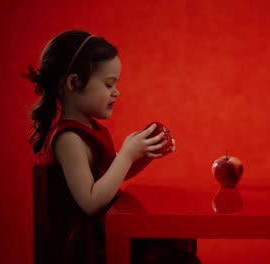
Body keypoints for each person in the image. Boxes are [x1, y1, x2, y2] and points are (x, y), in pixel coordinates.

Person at [25, 30, 200, 264]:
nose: (116, 92)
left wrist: (144, 155)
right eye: (109, 84)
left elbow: (109, 178)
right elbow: (91, 202)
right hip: (87, 246)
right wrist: (127, 153)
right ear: (74, 83)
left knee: (179, 240)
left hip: (107, 230)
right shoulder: (68, 139)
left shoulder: (91, 130)